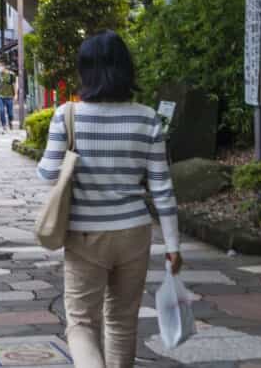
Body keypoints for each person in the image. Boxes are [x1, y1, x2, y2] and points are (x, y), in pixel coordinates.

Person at [37, 30, 182, 368]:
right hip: (134, 232)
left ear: (85, 70)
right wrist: (173, 245)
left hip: (85, 234)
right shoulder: (147, 117)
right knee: (122, 320)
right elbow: (162, 187)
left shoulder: (67, 115)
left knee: (82, 322)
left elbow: (46, 174)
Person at [0, 63, 17, 132]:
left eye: (0, 66)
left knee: (10, 113)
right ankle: (4, 126)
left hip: (9, 96)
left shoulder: (11, 74)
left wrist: (16, 95)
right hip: (0, 96)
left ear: (4, 67)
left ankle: (10, 122)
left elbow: (14, 85)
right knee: (1, 110)